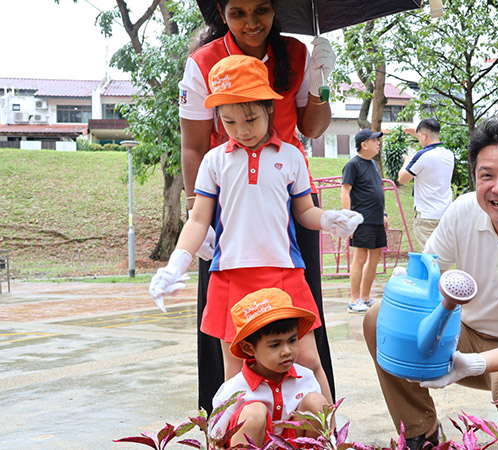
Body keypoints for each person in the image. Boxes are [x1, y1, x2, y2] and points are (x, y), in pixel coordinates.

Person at [151, 55, 362, 403]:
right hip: (230, 276)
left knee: (309, 361)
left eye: (250, 118)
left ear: (269, 108)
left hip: (284, 272)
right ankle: (241, 431)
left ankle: (328, 430)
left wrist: (328, 219)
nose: (242, 130)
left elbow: (304, 211)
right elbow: (199, 219)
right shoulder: (214, 161)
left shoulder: (291, 156)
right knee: (236, 375)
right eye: (229, 121)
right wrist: (176, 263)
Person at [364, 120, 498, 449]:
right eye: (487, 175)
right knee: (379, 318)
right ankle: (420, 431)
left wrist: (478, 363)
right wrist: (405, 288)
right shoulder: (463, 210)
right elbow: (426, 275)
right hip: (460, 336)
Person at [178, 0, 337, 413]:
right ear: (222, 12)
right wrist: (199, 215)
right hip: (227, 201)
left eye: (261, 10)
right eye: (238, 13)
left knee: (301, 323)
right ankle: (230, 424)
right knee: (226, 329)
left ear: (275, 8)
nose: (251, 22)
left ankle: (314, 419)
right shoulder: (203, 62)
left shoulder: (296, 54)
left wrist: (320, 84)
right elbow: (194, 146)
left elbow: (312, 128)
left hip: (289, 193)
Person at [210, 288, 328, 448]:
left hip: (293, 442)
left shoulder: (306, 378)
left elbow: (325, 425)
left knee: (317, 403)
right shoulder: (234, 390)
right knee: (254, 413)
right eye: (275, 345)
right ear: (248, 348)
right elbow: (214, 440)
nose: (287, 351)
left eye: (292, 340)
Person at [341, 129, 389, 313]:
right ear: (364, 144)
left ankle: (366, 297)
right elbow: (345, 191)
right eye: (374, 140)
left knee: (375, 257)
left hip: (376, 219)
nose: (378, 143)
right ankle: (354, 300)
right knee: (360, 257)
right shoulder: (353, 164)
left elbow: (377, 191)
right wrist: (348, 219)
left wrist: (384, 214)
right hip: (361, 219)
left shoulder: (373, 164)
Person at [397, 118, 455, 250]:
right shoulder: (449, 154)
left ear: (424, 136)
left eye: (419, 137)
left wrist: (407, 161)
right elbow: (430, 150)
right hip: (445, 214)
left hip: (427, 217)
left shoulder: (422, 156)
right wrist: (418, 134)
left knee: (431, 256)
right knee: (443, 254)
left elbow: (402, 179)